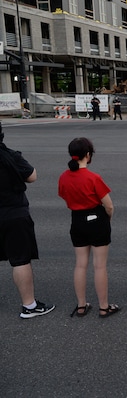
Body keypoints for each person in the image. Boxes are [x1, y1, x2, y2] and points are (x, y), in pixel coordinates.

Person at [58, 138, 120, 319]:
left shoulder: (64, 176)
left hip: (77, 220)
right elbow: (109, 206)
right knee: (99, 266)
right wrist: (107, 219)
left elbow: (64, 196)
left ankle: (81, 305)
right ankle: (104, 306)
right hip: (96, 219)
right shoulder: (93, 177)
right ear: (88, 155)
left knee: (80, 264)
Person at [0, 122, 55, 319]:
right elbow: (32, 176)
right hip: (13, 214)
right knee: (20, 261)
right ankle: (29, 305)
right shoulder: (11, 156)